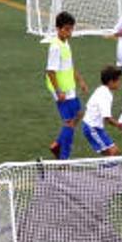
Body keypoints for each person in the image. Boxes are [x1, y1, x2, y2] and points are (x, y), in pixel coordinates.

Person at [46, 12, 88, 159]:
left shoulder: (65, 43)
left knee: (80, 113)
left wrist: (80, 80)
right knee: (69, 122)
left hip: (69, 88)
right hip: (61, 90)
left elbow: (69, 65)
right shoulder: (55, 47)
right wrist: (58, 92)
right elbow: (50, 71)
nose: (69, 33)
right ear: (58, 29)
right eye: (66, 29)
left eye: (71, 29)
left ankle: (57, 143)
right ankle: (64, 157)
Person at [82, 66, 122, 156]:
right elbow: (107, 118)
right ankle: (106, 169)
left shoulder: (101, 90)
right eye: (118, 80)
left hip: (95, 127)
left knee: (114, 152)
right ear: (110, 82)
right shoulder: (105, 94)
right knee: (112, 153)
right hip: (92, 128)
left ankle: (108, 168)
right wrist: (119, 125)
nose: (119, 83)